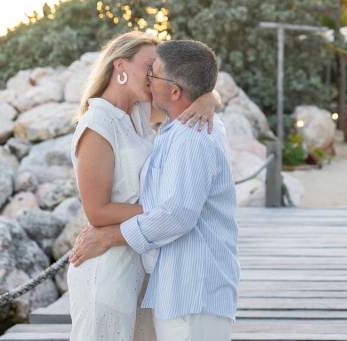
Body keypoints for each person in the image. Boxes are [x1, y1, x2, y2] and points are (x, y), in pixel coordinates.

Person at [70, 40, 239, 341]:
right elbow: (96, 211)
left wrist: (207, 98)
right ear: (120, 66)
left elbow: (190, 83)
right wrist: (171, 209)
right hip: (116, 263)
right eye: (148, 67)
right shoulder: (99, 123)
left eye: (154, 71)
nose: (151, 76)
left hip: (151, 264)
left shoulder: (139, 114)